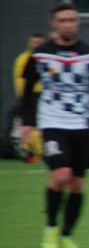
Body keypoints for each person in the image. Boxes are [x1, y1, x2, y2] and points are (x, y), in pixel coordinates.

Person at [19, 3, 89, 248]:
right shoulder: (41, 55)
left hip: (81, 126)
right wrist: (27, 123)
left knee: (77, 184)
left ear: (78, 23)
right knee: (60, 176)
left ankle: (67, 235)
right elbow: (29, 90)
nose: (68, 24)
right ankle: (51, 228)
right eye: (62, 20)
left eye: (72, 20)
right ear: (55, 24)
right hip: (52, 124)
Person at [6, 32, 46, 162]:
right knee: (28, 124)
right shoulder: (23, 59)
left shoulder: (46, 59)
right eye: (34, 42)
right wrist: (23, 98)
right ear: (29, 43)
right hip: (29, 96)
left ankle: (40, 152)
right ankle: (28, 152)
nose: (36, 45)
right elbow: (20, 80)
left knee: (41, 125)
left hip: (44, 97)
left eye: (39, 43)